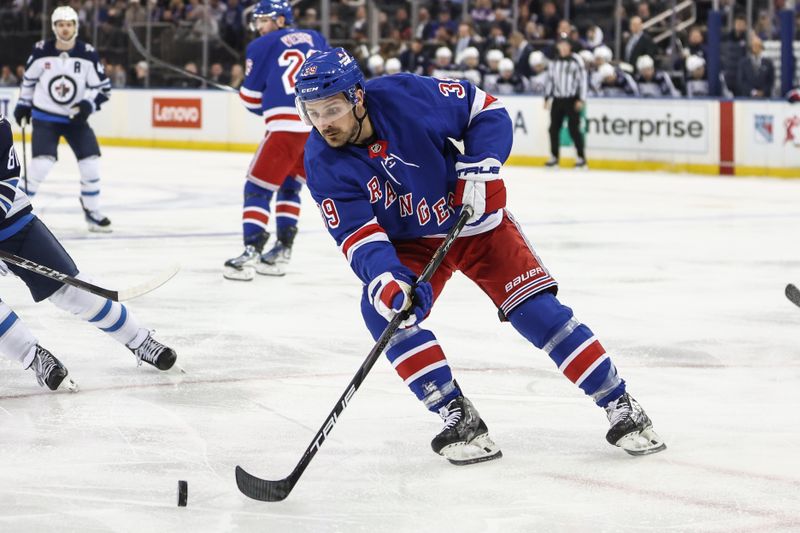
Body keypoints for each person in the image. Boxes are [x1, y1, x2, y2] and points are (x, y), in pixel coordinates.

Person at [294, 48, 666, 464]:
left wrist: (481, 164)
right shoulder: (321, 159)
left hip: (476, 223)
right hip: (411, 245)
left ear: (357, 98)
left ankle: (621, 403)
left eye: (332, 109)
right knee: (384, 311)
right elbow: (358, 235)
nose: (323, 123)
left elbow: (487, 109)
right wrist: (387, 280)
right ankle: (457, 414)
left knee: (537, 313)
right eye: (312, 112)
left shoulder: (405, 95)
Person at [0, 114, 177, 391]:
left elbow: (5, 178)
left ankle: (139, 340)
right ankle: (35, 358)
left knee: (72, 289)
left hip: (14, 223)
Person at [224, 0, 328, 281]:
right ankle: (282, 251)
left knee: (256, 188)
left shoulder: (260, 46)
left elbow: (250, 99)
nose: (260, 27)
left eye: (264, 20)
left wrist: (246, 94)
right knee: (289, 185)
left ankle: (250, 253)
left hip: (283, 129)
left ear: (281, 20)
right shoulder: (316, 37)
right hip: (314, 129)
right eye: (257, 21)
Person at [13, 6, 113, 232]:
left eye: (69, 24)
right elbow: (28, 82)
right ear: (54, 27)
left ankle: (93, 212)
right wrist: (23, 104)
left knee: (91, 163)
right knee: (41, 164)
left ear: (75, 27)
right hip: (45, 117)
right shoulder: (40, 50)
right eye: (60, 24)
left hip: (75, 120)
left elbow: (103, 89)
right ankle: (11, 210)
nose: (65, 28)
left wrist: (88, 105)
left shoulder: (87, 54)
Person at [544, 34, 587, 169]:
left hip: (572, 99)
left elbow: (583, 80)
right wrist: (547, 97)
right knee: (553, 129)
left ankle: (581, 158)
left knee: (574, 129)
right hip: (557, 99)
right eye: (560, 45)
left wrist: (581, 98)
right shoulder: (554, 62)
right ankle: (554, 157)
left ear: (569, 46)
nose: (563, 47)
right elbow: (550, 80)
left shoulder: (576, 61)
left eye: (565, 45)